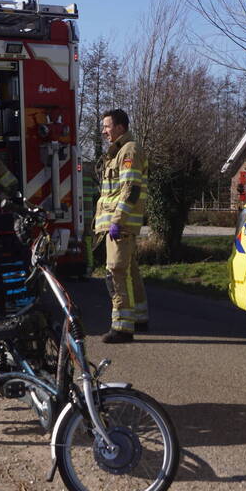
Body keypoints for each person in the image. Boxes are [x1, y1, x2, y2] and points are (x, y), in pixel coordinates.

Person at [94, 109, 148, 343]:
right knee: (129, 270)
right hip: (120, 224)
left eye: (107, 126)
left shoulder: (129, 151)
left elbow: (131, 190)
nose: (104, 131)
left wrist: (116, 221)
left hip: (121, 225)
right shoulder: (118, 152)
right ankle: (139, 317)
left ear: (120, 127)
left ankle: (123, 328)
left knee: (115, 271)